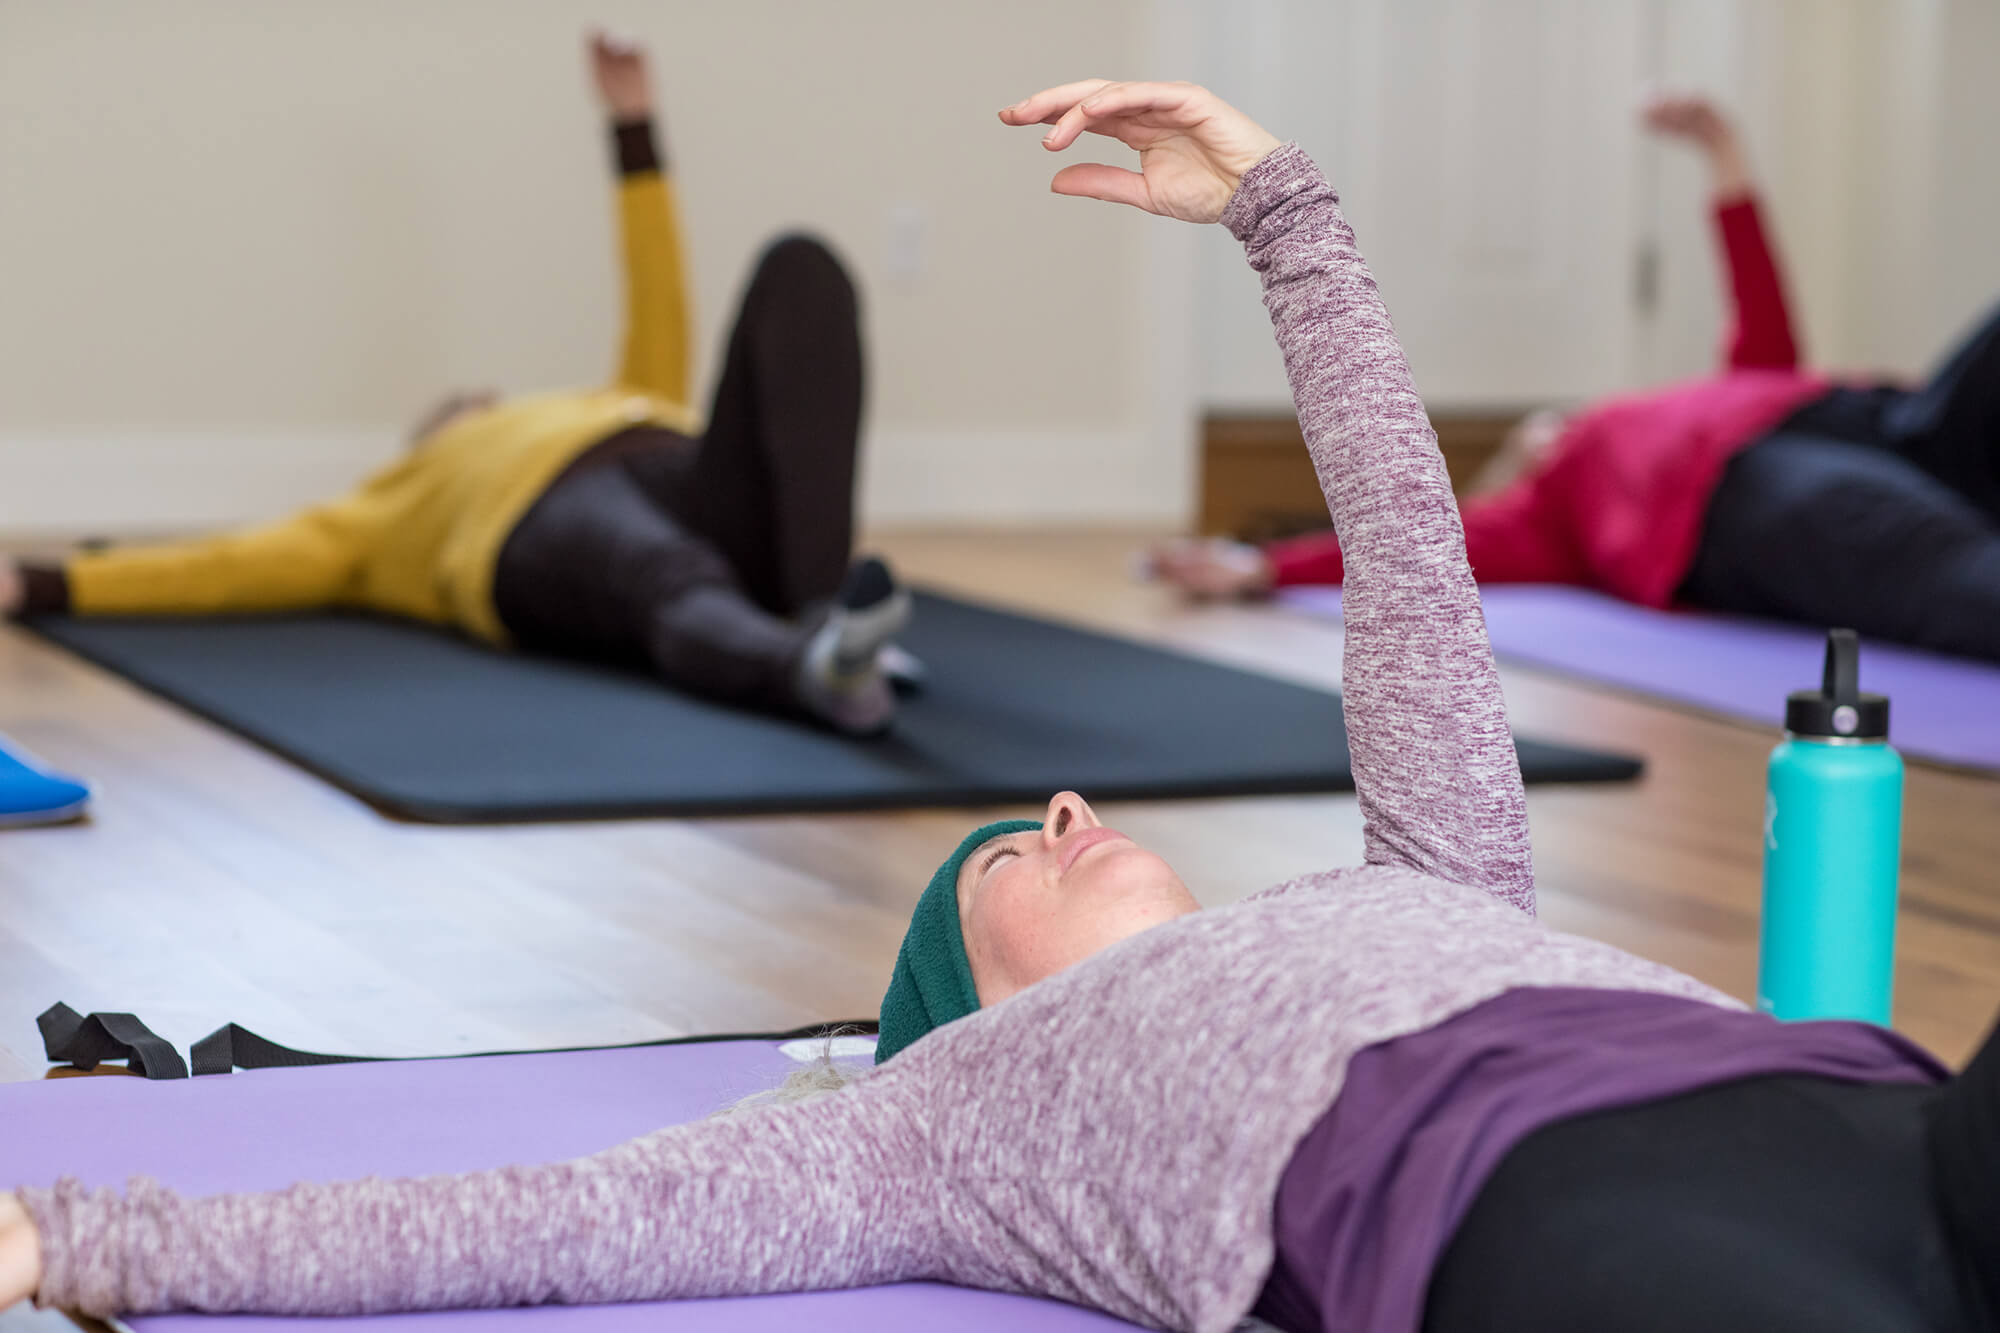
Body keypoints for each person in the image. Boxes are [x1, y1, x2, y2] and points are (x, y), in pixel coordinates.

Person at [5, 81, 1997, 1333]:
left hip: (1861, 1093)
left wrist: (1282, 218)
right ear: (966, 1010)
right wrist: (80, 1244)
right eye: (997, 867)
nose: (1050, 813)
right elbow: (520, 1224)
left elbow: (1410, 554)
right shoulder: (933, 1130)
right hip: (1539, 1205)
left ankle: (778, 604)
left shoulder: (1435, 876)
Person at [0, 34, 908, 736]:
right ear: (432, 439)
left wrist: (633, 126)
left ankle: (823, 609)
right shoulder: (390, 507)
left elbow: (657, 297)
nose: (483, 396)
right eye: (462, 407)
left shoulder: (622, 397)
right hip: (542, 524)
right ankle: (814, 668)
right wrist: (46, 584)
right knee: (667, 575)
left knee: (802, 266)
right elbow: (231, 565)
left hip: (686, 477)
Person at [1151, 94, 2000, 666]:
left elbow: (1757, 295)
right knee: (1934, 562)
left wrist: (1723, 151)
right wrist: (1259, 568)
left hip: (1875, 422)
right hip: (1736, 497)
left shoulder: (1751, 380)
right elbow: (1420, 551)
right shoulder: (1542, 516)